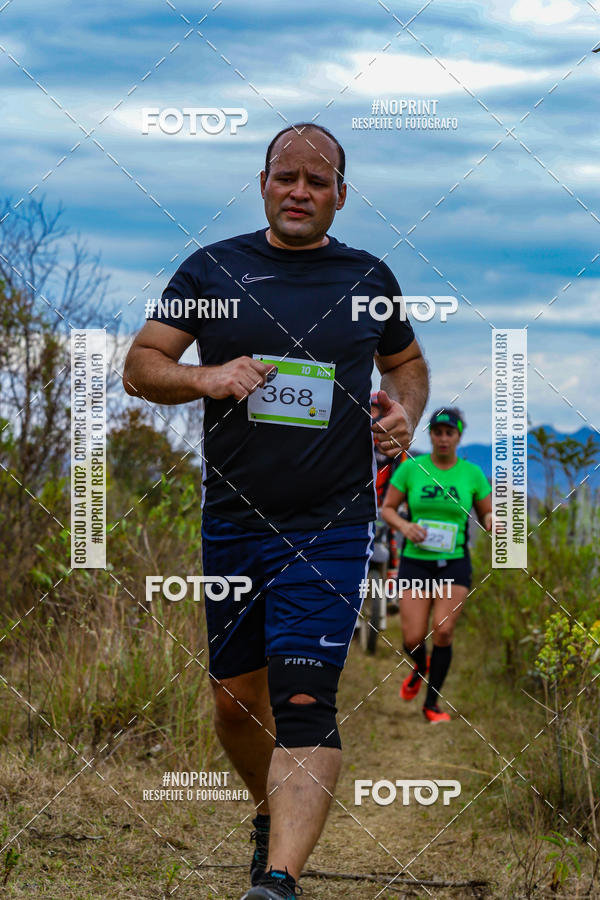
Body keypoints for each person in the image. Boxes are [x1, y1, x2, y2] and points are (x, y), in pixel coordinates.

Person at [123, 123, 429, 899]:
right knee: (235, 703)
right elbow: (141, 365)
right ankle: (270, 815)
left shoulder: (368, 276)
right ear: (263, 183)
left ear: (340, 196)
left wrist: (406, 412)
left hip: (331, 522)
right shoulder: (213, 268)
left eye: (317, 181)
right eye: (286, 177)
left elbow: (405, 363)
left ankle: (279, 881)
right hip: (233, 521)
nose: (299, 191)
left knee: (302, 698)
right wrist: (206, 377)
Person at [380, 407, 492, 724]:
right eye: (438, 432)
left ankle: (431, 705)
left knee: (443, 631)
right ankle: (421, 666)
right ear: (430, 435)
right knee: (413, 639)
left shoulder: (471, 474)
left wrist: (491, 520)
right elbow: (388, 509)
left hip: (453, 563)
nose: (443, 438)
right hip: (416, 562)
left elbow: (486, 513)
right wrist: (405, 527)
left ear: (458, 436)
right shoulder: (412, 469)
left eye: (449, 433)